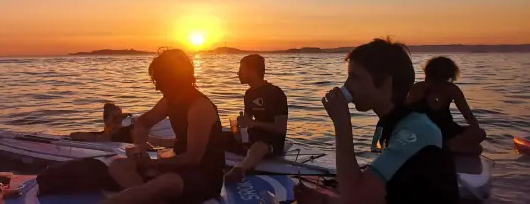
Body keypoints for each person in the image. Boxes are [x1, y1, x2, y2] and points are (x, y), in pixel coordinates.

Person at [294, 38, 459, 204]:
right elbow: (375, 194)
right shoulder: (396, 124)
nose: (347, 85)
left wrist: (342, 125)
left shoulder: (416, 130)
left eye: (355, 77)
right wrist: (323, 201)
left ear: (386, 83)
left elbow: (355, 198)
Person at [102, 49, 225, 204]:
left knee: (167, 182)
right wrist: (140, 149)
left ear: (174, 79)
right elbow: (143, 122)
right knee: (118, 165)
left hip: (204, 175)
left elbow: (193, 159)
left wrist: (154, 163)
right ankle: (152, 197)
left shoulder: (199, 107)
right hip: (177, 167)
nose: (157, 88)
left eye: (159, 81)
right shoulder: (169, 101)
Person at [225, 54, 288, 182]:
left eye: (241, 69)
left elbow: (281, 128)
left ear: (252, 71)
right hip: (253, 135)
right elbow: (247, 122)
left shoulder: (275, 93)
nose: (238, 73)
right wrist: (239, 127)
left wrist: (253, 123)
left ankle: (240, 169)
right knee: (219, 137)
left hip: (271, 141)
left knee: (260, 146)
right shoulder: (249, 94)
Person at [406, 56, 486, 155]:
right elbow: (404, 115)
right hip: (424, 132)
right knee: (474, 149)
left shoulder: (452, 90)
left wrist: (469, 134)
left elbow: (469, 117)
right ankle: (444, 147)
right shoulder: (418, 89)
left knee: (479, 139)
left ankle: (446, 146)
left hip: (447, 131)